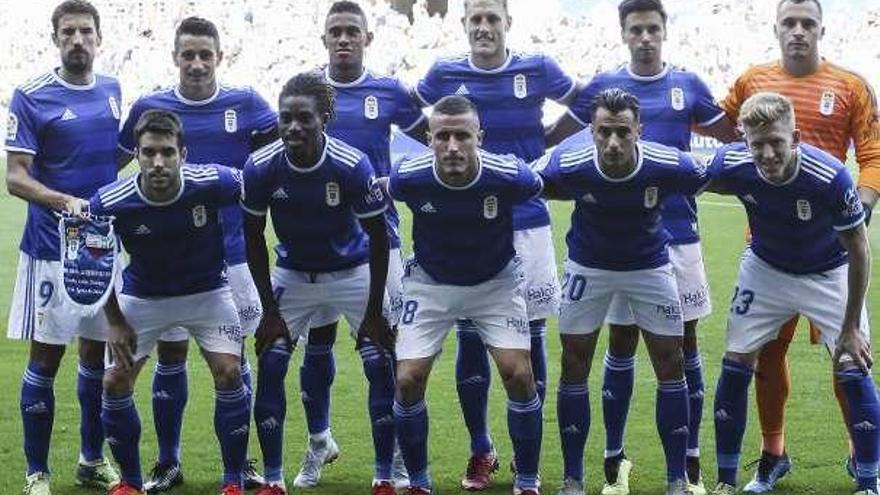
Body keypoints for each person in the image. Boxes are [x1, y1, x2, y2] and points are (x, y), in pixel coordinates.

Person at [545, 1, 737, 493]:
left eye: (654, 28)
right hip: (599, 253)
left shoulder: (688, 86)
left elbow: (729, 148)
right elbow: (539, 169)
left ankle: (686, 467)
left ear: (664, 31)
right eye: (637, 29)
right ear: (624, 33)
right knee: (615, 346)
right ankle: (610, 459)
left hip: (674, 239)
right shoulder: (599, 99)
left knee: (680, 349)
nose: (646, 36)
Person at [415, 0, 578, 487]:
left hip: (526, 220)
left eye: (492, 19)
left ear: (508, 23)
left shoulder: (538, 66)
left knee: (530, 337)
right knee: (471, 335)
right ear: (464, 24)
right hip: (464, 220)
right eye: (475, 20)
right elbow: (409, 115)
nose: (484, 28)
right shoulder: (444, 72)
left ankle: (528, 452)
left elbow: (585, 107)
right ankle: (480, 448)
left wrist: (545, 140)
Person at [720, 0, 880, 490]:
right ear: (775, 28)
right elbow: (719, 130)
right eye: (788, 22)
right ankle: (773, 451)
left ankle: (861, 456)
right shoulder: (751, 81)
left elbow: (872, 156)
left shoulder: (851, 85)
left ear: (821, 29)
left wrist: (856, 212)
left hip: (830, 249)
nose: (798, 31)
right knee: (766, 355)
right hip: (767, 248)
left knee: (849, 357)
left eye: (807, 23)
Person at [116, 16, 276, 492]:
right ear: (175, 57)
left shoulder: (246, 102)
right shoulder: (151, 105)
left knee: (234, 360)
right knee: (171, 352)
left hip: (232, 256)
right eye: (188, 54)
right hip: (165, 258)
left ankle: (241, 462)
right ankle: (168, 461)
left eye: (206, 54)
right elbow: (118, 163)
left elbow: (274, 160)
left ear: (219, 56)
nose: (197, 63)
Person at [534, 88, 711, 495]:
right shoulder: (569, 160)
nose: (612, 142)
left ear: (638, 131)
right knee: (575, 365)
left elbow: (715, 174)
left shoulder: (666, 162)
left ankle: (675, 481)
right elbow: (528, 180)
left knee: (671, 363)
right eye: (604, 132)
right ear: (592, 131)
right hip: (588, 268)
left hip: (650, 268)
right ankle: (574, 479)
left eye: (622, 132)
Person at [288, 3, 427, 492]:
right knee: (317, 346)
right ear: (323, 38)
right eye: (335, 32)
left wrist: (394, 180)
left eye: (352, 31)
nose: (344, 39)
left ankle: (391, 466)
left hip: (376, 241)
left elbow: (433, 146)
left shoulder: (389, 91)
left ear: (368, 38)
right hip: (315, 244)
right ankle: (319, 439)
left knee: (381, 352)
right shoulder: (303, 91)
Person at [242, 71, 394, 495]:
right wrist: (269, 311)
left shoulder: (350, 164)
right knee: (272, 361)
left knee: (379, 362)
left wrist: (374, 312)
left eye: (304, 118)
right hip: (294, 274)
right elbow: (253, 238)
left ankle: (384, 474)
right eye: (285, 117)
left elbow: (379, 238)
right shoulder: (260, 167)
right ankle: (273, 478)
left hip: (351, 271)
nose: (293, 127)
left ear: (324, 117)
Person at [389, 94, 544, 495]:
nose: (453, 146)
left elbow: (541, 186)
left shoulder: (509, 175)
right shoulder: (409, 177)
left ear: (480, 138)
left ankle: (527, 480)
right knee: (407, 380)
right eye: (443, 136)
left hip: (495, 282)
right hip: (431, 283)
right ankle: (419, 483)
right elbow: (378, 197)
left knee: (519, 373)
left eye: (463, 136)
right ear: (428, 139)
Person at [93, 109, 251, 495]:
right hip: (144, 297)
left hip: (208, 293)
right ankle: (130, 483)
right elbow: (92, 266)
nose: (158, 162)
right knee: (114, 381)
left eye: (167, 152)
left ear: (184, 153)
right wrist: (114, 320)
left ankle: (233, 479)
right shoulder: (109, 200)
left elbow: (260, 189)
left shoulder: (216, 181)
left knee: (231, 373)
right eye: (148, 153)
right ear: (137, 154)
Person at [5, 1, 121, 492]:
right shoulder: (30, 96)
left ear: (99, 38)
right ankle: (37, 473)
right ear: (56, 38)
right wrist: (65, 200)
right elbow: (15, 178)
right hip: (51, 250)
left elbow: (115, 156)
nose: (78, 40)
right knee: (46, 358)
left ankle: (90, 461)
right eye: (68, 32)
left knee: (96, 358)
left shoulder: (113, 90)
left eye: (85, 32)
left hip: (99, 249)